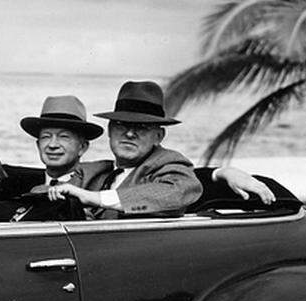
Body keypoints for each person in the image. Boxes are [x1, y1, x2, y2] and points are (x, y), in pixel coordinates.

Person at [49, 80, 272, 217]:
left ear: (159, 136)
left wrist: (94, 198)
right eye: (122, 125)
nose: (129, 133)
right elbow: (54, 192)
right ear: (109, 130)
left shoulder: (171, 165)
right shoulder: (93, 170)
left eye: (141, 127)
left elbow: (177, 192)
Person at [0, 94, 103, 221]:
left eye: (64, 137)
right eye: (46, 136)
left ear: (82, 147)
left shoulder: (95, 188)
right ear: (38, 145)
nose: (52, 145)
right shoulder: (15, 185)